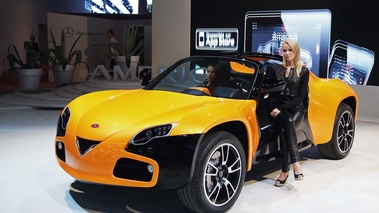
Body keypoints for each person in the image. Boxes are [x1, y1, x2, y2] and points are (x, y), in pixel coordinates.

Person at [265, 38, 310, 187]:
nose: (287, 53)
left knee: (287, 125)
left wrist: (282, 109)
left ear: (295, 51)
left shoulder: (303, 71)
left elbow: (300, 98)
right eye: (284, 50)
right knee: (286, 124)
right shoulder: (274, 69)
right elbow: (270, 92)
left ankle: (286, 170)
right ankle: (295, 165)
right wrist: (275, 108)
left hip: (295, 109)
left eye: (290, 50)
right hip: (277, 107)